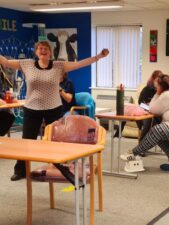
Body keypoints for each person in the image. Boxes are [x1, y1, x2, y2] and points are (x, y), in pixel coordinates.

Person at [0, 41, 109, 182]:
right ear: (36, 52)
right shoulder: (26, 64)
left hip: (53, 108)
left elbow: (80, 64)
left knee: (57, 140)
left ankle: (61, 167)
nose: (43, 50)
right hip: (32, 108)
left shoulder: (59, 66)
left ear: (50, 52)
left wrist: (99, 56)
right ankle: (20, 170)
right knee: (27, 140)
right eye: (40, 48)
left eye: (46, 48)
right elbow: (5, 62)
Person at [120, 74, 169, 171]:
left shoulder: (167, 95)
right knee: (159, 133)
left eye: (157, 86)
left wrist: (157, 94)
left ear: (161, 86)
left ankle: (133, 153)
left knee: (156, 130)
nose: (155, 88)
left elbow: (152, 109)